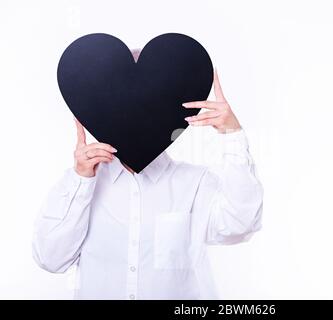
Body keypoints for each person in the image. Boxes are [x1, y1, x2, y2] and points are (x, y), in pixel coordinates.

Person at [32, 49, 263, 299]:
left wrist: (233, 136)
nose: (135, 113)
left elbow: (241, 224)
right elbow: (50, 258)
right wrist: (81, 180)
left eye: (147, 101)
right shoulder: (80, 184)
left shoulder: (194, 183)